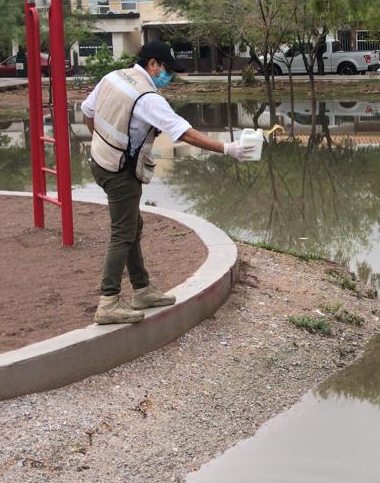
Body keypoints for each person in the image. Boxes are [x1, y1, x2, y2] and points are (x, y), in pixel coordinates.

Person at [82, 40, 255, 325]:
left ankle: (142, 289)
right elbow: (183, 133)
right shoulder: (147, 97)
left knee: (132, 226)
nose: (169, 77)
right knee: (123, 233)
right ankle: (108, 301)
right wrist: (228, 149)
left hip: (99, 161)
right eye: (167, 70)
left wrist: (104, 142)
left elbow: (88, 113)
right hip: (120, 172)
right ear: (153, 64)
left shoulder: (112, 77)